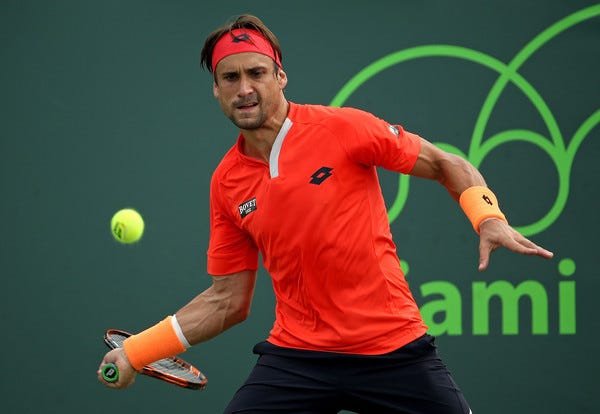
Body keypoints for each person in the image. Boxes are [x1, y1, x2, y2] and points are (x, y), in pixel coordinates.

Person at [98, 14, 553, 413]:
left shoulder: (343, 128)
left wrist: (487, 217)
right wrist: (138, 351)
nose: (245, 89)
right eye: (230, 78)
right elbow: (227, 302)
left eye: (256, 73)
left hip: (392, 348)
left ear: (281, 77)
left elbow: (444, 163)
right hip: (297, 359)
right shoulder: (227, 182)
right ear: (216, 90)